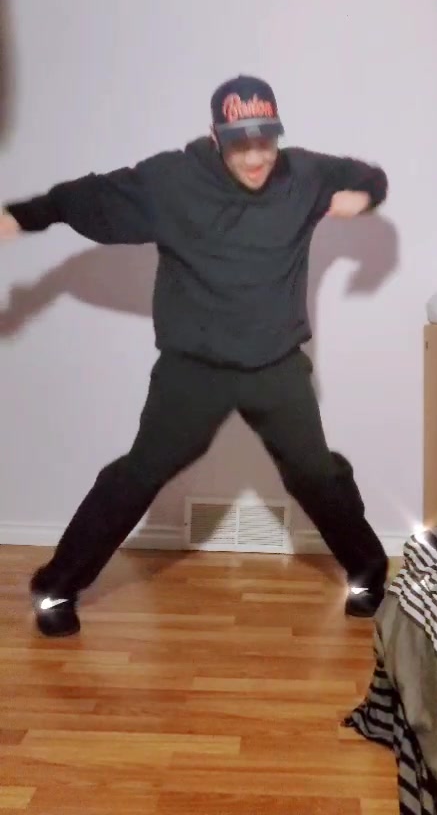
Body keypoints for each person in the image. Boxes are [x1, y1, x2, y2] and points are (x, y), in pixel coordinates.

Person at [0, 75, 389, 638]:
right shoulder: (173, 180)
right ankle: (56, 586)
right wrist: (20, 216)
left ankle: (369, 572)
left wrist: (365, 197)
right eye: (239, 144)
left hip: (276, 365)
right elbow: (89, 196)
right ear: (215, 136)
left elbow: (370, 176)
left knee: (315, 475)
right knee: (139, 474)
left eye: (265, 142)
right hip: (194, 371)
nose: (255, 158)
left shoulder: (304, 174)